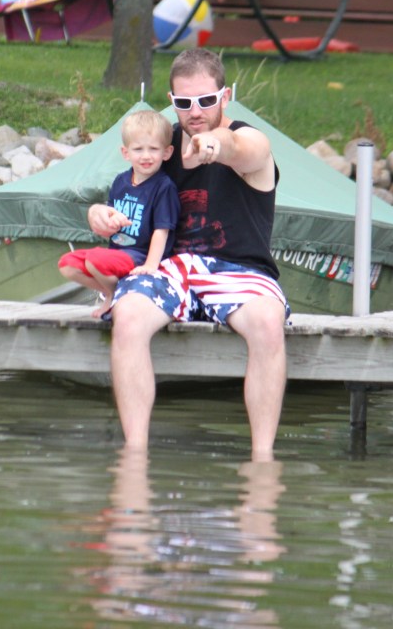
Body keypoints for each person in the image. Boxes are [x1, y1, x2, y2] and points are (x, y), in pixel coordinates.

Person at [87, 48, 288, 460]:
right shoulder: (160, 146)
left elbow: (243, 148)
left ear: (225, 96)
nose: (195, 112)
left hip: (239, 270)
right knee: (128, 316)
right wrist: (97, 214)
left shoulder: (250, 139)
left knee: (268, 322)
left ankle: (262, 462)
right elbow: (126, 195)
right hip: (171, 269)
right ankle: (134, 458)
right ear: (171, 100)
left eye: (206, 100)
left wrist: (216, 143)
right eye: (184, 102)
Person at [58, 110, 180, 318]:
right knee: (68, 264)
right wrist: (111, 222)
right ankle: (111, 292)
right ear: (126, 153)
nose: (146, 156)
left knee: (95, 260)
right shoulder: (120, 181)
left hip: (140, 255)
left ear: (167, 152)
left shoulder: (163, 187)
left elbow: (162, 230)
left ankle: (112, 296)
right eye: (138, 149)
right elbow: (111, 217)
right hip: (116, 252)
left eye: (153, 149)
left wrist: (151, 265)